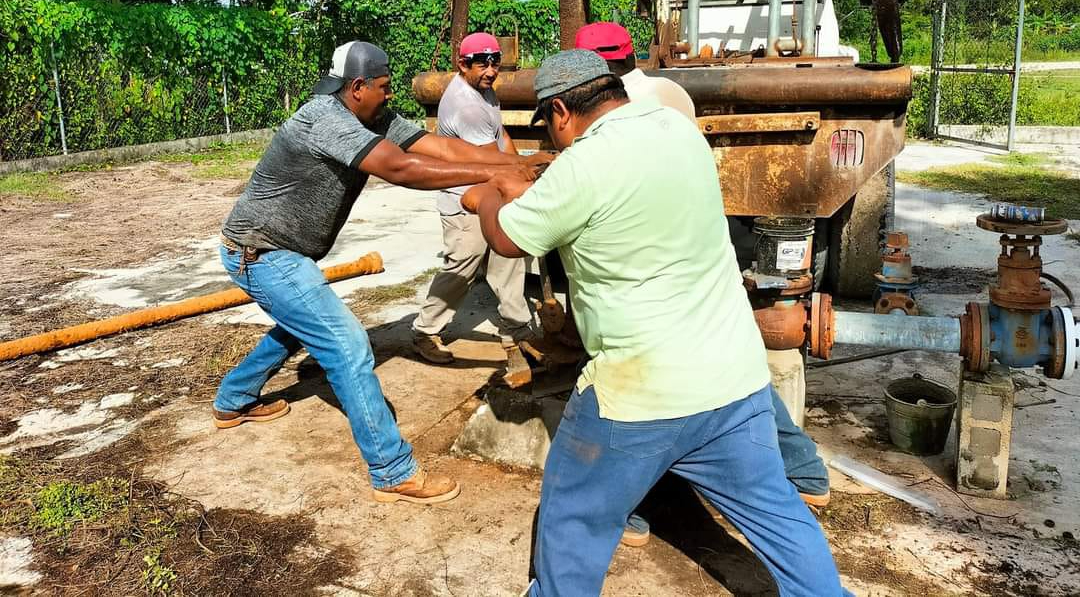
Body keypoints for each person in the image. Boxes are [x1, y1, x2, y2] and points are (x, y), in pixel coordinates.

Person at [463, 50, 851, 596]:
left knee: (572, 517)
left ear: (559, 111)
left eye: (550, 129)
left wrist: (483, 198)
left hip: (639, 394)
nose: (554, 141)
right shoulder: (679, 129)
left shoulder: (583, 165)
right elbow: (620, 201)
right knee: (778, 516)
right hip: (732, 380)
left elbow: (507, 237)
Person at [212, 41, 544, 506]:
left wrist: (517, 162)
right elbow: (404, 169)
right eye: (384, 87)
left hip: (282, 252)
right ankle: (391, 470)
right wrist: (495, 178)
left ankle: (233, 400)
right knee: (346, 345)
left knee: (300, 325)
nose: (390, 96)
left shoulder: (373, 116)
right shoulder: (323, 118)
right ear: (357, 86)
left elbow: (444, 148)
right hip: (260, 253)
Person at [575, 21, 832, 511]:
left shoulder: (610, 116)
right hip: (702, 257)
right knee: (736, 374)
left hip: (653, 271)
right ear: (633, 54)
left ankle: (628, 507)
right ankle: (804, 470)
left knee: (632, 388)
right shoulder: (670, 94)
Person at [412, 32, 533, 364]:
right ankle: (425, 331)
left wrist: (520, 161)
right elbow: (486, 159)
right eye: (483, 63)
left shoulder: (484, 91)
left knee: (508, 257)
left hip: (489, 191)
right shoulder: (466, 105)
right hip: (462, 199)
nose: (491, 70)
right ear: (462, 64)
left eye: (495, 62)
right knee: (461, 267)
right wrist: (523, 176)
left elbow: (500, 134)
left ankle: (517, 331)